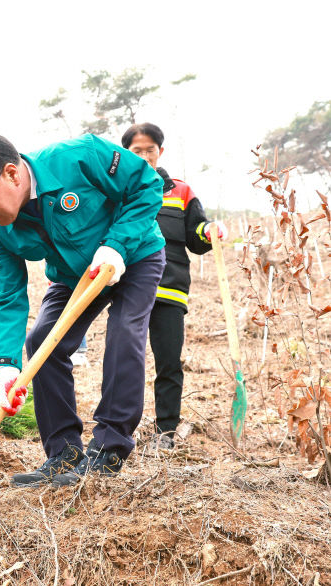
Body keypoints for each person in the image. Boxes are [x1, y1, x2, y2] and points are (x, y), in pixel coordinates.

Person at [0, 129, 166, 487]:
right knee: (42, 342)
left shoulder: (79, 156)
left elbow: (147, 185)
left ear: (12, 174)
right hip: (72, 276)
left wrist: (116, 245)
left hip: (135, 255)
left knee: (123, 333)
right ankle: (64, 453)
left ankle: (109, 449)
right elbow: (8, 293)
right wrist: (5, 366)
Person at [121, 123, 227, 449]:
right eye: (136, 151)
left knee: (168, 363)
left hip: (169, 291)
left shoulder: (179, 191)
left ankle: (166, 430)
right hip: (129, 291)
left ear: (160, 152)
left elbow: (196, 237)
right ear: (125, 154)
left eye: (149, 150)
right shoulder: (117, 193)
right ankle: (123, 428)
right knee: (126, 361)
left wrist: (209, 230)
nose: (143, 156)